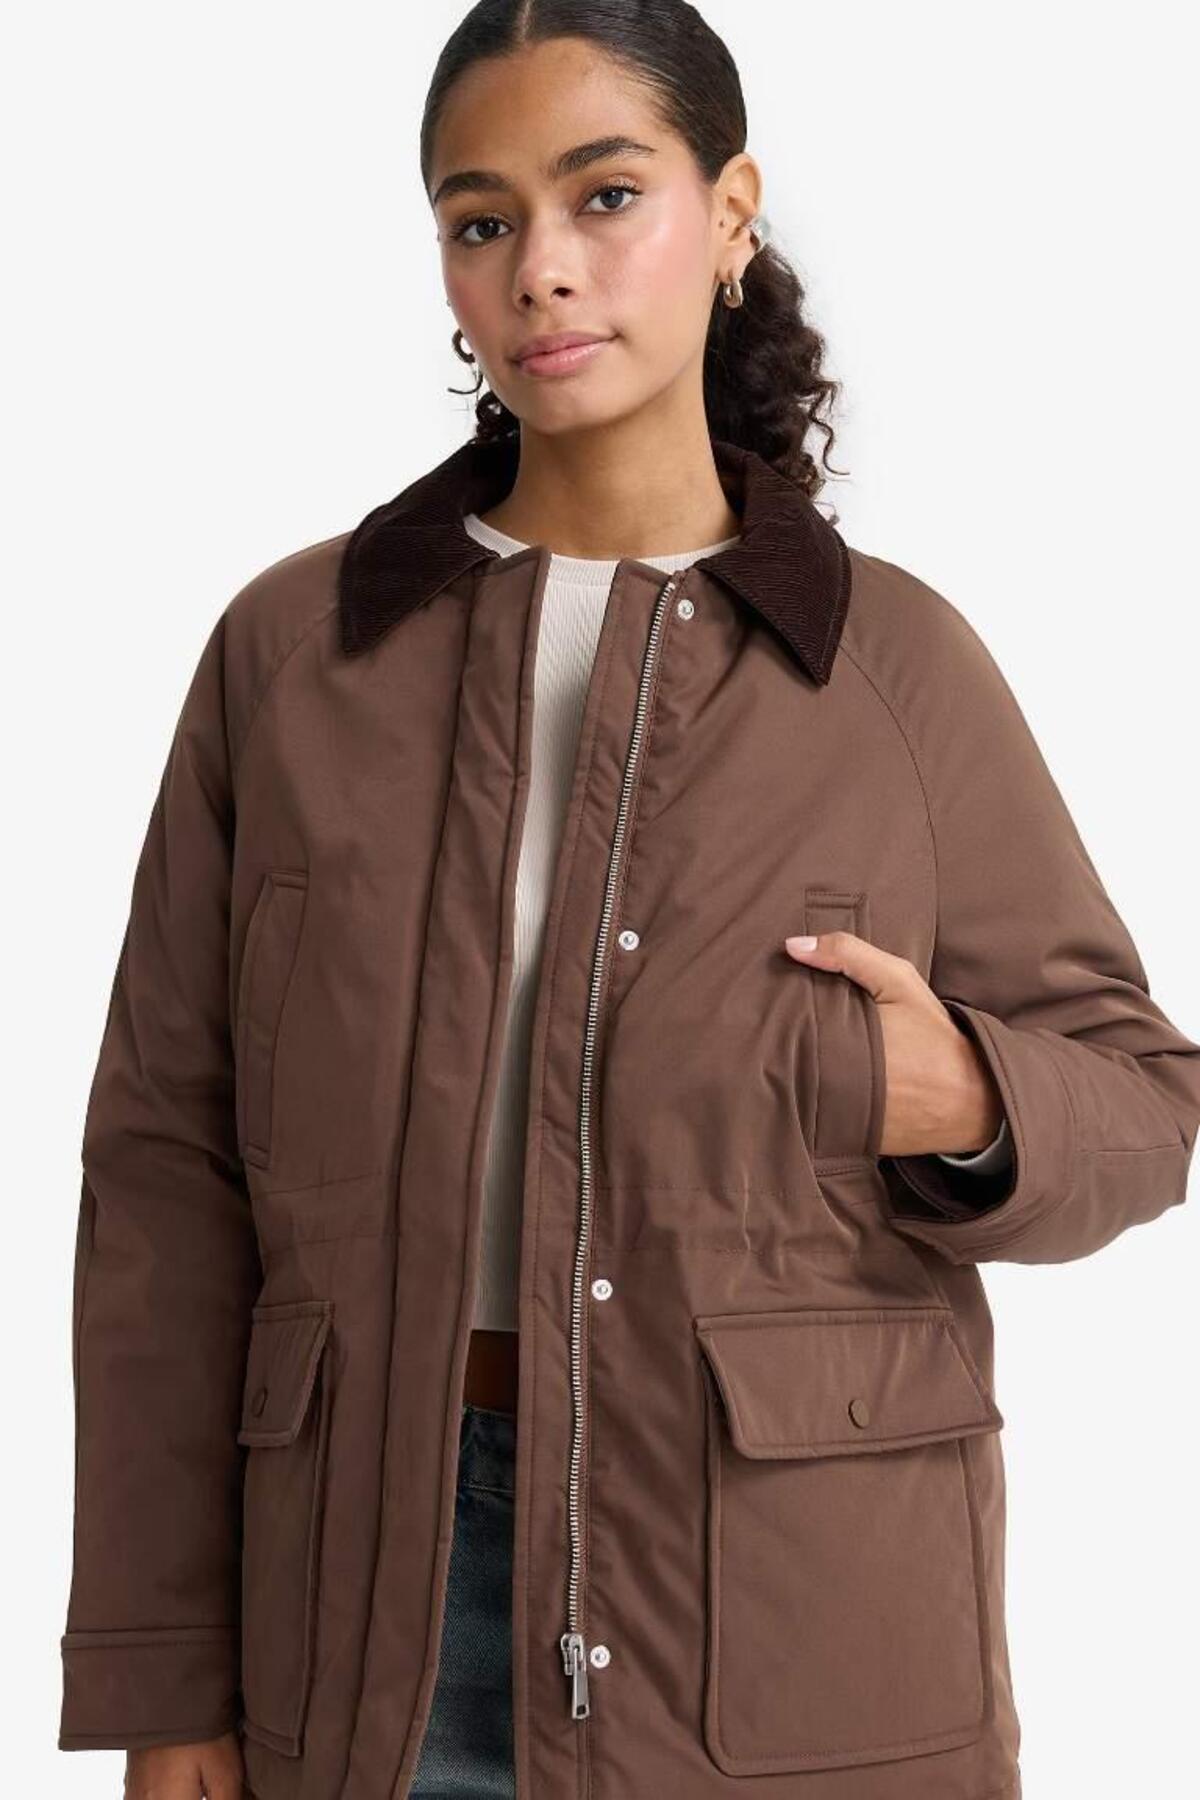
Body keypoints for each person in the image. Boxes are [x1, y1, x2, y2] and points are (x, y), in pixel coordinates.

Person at [58, 4, 1199, 1798]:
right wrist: (162, 1675)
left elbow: (1145, 1103)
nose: (543, 268)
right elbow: (162, 1181)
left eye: (605, 196)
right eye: (483, 218)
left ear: (730, 213)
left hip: (794, 1621)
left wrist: (970, 1099)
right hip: (362, 1602)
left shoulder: (892, 671)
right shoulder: (292, 660)